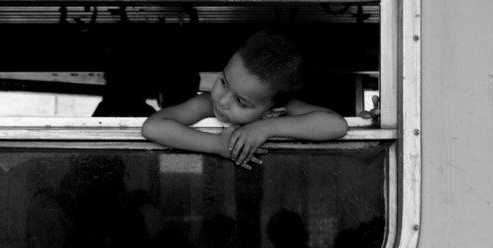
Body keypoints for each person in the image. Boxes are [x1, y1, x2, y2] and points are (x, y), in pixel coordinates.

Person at [141, 29, 348, 169]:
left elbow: (336, 125)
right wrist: (217, 145)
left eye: (240, 102)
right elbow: (154, 127)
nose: (222, 101)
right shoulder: (208, 103)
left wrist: (267, 128)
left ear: (271, 111)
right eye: (223, 81)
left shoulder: (282, 109)